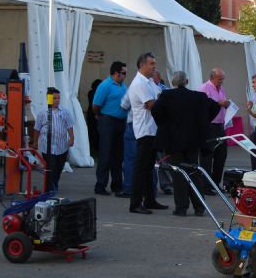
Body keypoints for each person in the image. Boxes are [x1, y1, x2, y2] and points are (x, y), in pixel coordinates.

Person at [152, 71, 220, 216]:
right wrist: (203, 122)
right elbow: (215, 107)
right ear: (187, 81)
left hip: (175, 141)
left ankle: (181, 207)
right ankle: (199, 207)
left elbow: (156, 111)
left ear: (172, 82)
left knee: (178, 174)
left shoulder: (167, 96)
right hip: (193, 141)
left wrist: (166, 125)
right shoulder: (198, 97)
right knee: (194, 172)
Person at [128, 53, 169, 214]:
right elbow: (153, 105)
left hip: (153, 130)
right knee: (141, 168)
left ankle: (150, 199)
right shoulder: (139, 83)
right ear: (142, 65)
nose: (154, 67)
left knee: (149, 168)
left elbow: (160, 98)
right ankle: (135, 203)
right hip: (145, 131)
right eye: (151, 64)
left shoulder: (150, 82)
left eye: (155, 63)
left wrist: (158, 102)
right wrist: (156, 102)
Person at [92, 61, 128, 196]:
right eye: (124, 73)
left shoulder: (123, 85)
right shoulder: (105, 85)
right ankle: (100, 185)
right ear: (116, 73)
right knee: (106, 154)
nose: (125, 75)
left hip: (121, 121)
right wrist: (100, 116)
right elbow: (96, 105)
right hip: (107, 120)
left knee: (118, 156)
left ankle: (117, 185)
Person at [33, 87, 74, 192]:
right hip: (47, 146)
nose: (57, 100)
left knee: (59, 167)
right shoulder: (43, 113)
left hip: (61, 146)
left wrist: (72, 138)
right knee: (51, 167)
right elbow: (37, 128)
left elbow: (69, 126)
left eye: (58, 98)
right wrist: (35, 142)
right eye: (54, 98)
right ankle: (49, 189)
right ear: (49, 99)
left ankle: (54, 183)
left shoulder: (65, 112)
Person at [198, 68, 230, 195]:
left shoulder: (220, 88)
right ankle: (205, 186)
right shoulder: (204, 88)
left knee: (221, 155)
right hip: (209, 125)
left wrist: (226, 103)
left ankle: (215, 183)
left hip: (220, 125)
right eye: (220, 78)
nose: (222, 81)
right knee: (207, 156)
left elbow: (223, 101)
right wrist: (218, 103)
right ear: (212, 77)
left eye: (223, 79)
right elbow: (201, 106)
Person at [86, 79, 101, 156]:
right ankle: (95, 146)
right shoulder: (93, 93)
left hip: (91, 114)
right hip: (93, 114)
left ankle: (93, 146)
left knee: (92, 130)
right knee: (94, 131)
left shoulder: (91, 93)